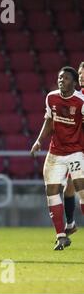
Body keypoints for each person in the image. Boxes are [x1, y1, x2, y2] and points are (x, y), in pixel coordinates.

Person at [30, 66, 84, 250]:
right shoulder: (51, 97)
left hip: (76, 151)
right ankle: (61, 236)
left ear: (74, 83)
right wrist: (38, 141)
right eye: (60, 77)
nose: (62, 80)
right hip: (55, 152)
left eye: (66, 78)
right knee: (51, 191)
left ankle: (70, 225)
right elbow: (49, 120)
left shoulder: (80, 101)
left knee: (81, 189)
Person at [61, 61, 84, 236]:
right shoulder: (76, 95)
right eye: (80, 73)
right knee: (69, 187)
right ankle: (70, 224)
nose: (82, 76)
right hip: (77, 149)